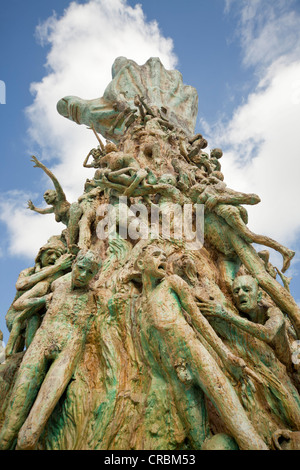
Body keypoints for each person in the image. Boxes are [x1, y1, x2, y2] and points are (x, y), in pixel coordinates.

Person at [137, 244, 268, 450]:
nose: (162, 259)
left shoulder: (172, 283)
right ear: (140, 263)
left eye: (164, 255)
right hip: (175, 373)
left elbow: (198, 320)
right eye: (155, 255)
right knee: (200, 441)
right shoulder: (140, 305)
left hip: (195, 354)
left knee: (239, 425)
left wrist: (225, 355)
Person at [0, 250, 101, 450]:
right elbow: (20, 303)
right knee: (12, 420)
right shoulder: (55, 285)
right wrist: (43, 300)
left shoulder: (95, 296)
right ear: (73, 265)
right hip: (42, 341)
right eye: (80, 268)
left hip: (68, 350)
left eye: (89, 273)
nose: (82, 275)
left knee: (31, 432)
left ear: (95, 275)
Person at [5, 237, 72, 356]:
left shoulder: (58, 275)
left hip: (37, 311)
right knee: (33, 319)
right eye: (49, 253)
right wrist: (55, 268)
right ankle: (31, 355)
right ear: (40, 256)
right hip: (18, 313)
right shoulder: (28, 272)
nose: (53, 258)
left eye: (57, 255)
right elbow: (20, 285)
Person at [27, 156, 82, 252]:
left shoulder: (61, 199)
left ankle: (72, 247)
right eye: (44, 198)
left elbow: (54, 180)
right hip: (70, 229)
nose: (45, 198)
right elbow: (43, 211)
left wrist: (42, 167)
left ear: (55, 194)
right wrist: (34, 208)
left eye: (47, 195)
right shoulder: (54, 209)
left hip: (77, 220)